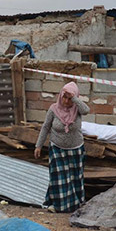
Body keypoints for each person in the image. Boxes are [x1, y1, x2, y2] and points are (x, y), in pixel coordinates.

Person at [34, 82, 91, 212]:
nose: (66, 101)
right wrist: (39, 145)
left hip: (76, 149)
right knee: (59, 179)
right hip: (57, 149)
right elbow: (45, 127)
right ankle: (58, 206)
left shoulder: (78, 109)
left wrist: (74, 99)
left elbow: (87, 110)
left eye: (69, 98)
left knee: (75, 178)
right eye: (64, 97)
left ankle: (75, 205)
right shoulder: (53, 109)